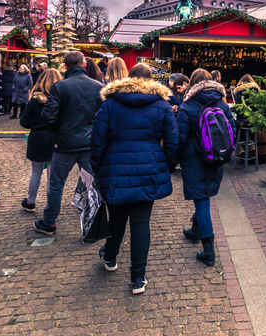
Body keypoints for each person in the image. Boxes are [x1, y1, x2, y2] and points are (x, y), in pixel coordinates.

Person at [91, 64, 178, 295]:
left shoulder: (110, 104)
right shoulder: (162, 105)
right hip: (149, 169)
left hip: (116, 168)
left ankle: (110, 256)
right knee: (141, 222)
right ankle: (138, 278)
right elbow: (172, 141)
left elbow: (98, 140)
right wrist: (166, 164)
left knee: (117, 217)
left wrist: (97, 167)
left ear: (129, 79)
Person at [34, 50, 105, 235]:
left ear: (65, 66)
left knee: (56, 184)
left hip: (64, 145)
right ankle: (93, 224)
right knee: (92, 185)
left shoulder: (60, 86)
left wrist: (58, 130)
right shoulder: (98, 86)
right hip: (89, 144)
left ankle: (49, 222)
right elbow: (104, 116)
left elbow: (48, 115)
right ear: (83, 64)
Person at [177, 69, 234, 266]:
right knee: (204, 196)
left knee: (202, 202)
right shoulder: (222, 103)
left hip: (194, 161)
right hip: (217, 157)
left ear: (191, 84)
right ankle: (194, 231)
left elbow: (181, 139)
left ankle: (208, 251)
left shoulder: (187, 106)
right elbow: (231, 130)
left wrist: (173, 160)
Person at [19, 69, 62, 212]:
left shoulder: (35, 100)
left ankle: (30, 201)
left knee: (35, 171)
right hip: (55, 137)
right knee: (52, 173)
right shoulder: (61, 99)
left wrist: (36, 124)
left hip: (37, 137)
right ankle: (51, 204)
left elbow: (24, 121)